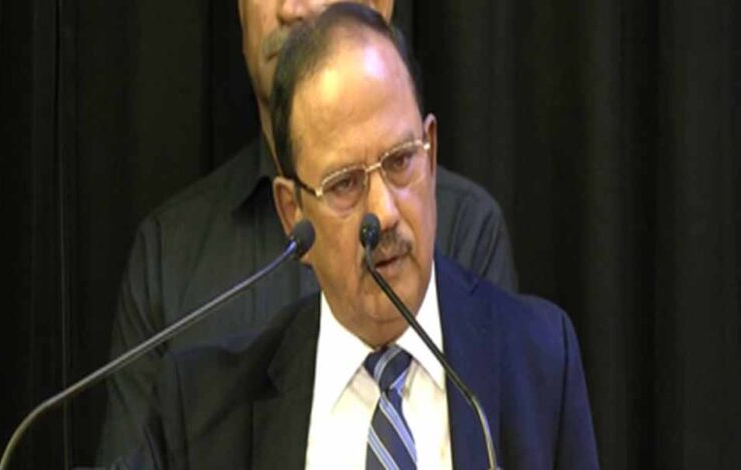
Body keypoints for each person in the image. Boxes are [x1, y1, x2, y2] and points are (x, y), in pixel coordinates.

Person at [116, 4, 598, 469]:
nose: (383, 213)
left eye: (400, 161)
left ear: (430, 157)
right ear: (292, 212)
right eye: (345, 183)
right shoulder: (209, 414)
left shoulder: (539, 361)